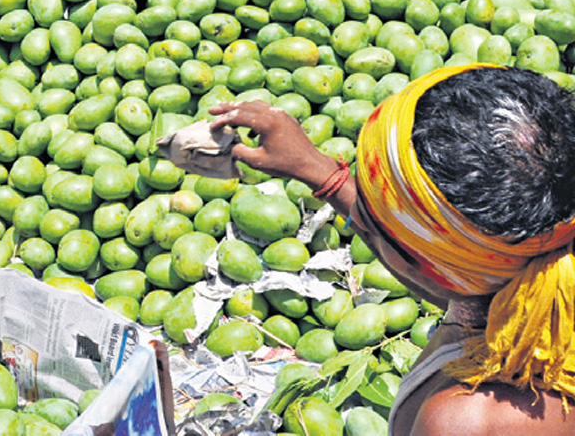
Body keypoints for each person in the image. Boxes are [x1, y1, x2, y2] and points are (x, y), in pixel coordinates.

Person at [209, 64, 575, 436]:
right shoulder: (533, 255)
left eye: (366, 220)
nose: (357, 219)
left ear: (434, 271)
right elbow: (431, 254)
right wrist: (321, 173)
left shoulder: (467, 421)